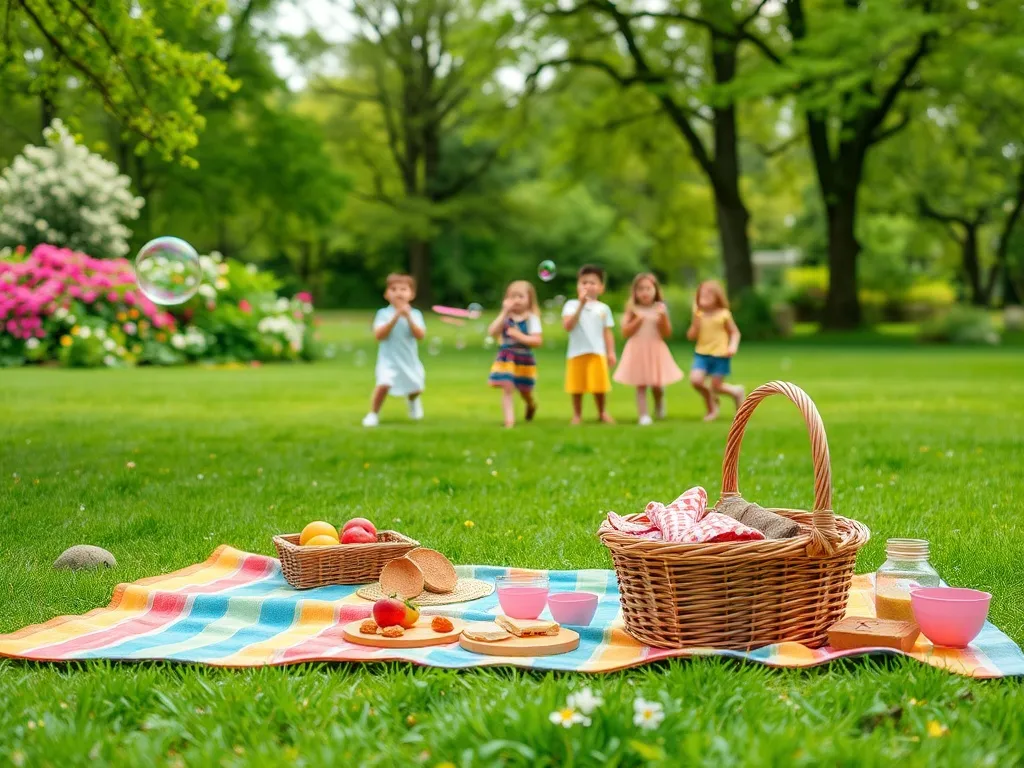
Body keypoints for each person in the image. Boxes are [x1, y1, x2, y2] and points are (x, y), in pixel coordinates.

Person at [614, 273, 683, 425]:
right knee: (641, 384)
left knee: (657, 384)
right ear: (635, 292)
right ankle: (643, 415)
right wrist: (637, 319)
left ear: (655, 290)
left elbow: (666, 333)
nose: (644, 292)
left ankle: (659, 405)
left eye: (648, 288)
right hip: (637, 350)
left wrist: (663, 316)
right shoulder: (632, 310)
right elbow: (625, 332)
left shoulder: (659, 309)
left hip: (655, 348)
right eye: (640, 289)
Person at [362, 273, 426, 427]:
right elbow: (379, 335)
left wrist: (408, 317)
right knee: (383, 384)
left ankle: (413, 402)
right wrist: (396, 316)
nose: (398, 292)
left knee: (416, 387)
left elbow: (420, 335)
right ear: (386, 294)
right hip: (388, 360)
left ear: (412, 295)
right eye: (394, 289)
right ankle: (373, 414)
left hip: (409, 359)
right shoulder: (383, 314)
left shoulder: (415, 314)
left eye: (403, 289)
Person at [562, 265, 617, 425]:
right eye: (583, 282)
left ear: (601, 287)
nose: (587, 286)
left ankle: (602, 412)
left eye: (592, 283)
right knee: (576, 386)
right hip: (576, 352)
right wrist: (580, 305)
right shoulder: (571, 305)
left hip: (597, 351)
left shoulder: (603, 308)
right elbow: (568, 325)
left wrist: (611, 352)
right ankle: (577, 415)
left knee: (599, 386)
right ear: (578, 286)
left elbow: (607, 332)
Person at [487, 280, 543, 428]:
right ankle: (509, 422)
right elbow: (492, 332)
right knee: (508, 386)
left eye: (520, 296)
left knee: (525, 391)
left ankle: (531, 404)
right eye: (513, 296)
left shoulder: (532, 318)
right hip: (507, 358)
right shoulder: (505, 317)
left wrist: (520, 336)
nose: (516, 300)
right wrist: (504, 312)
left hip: (524, 358)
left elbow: (537, 340)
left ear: (530, 299)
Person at [686, 279, 744, 422]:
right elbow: (691, 336)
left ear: (717, 297)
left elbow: (735, 333)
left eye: (708, 294)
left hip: (720, 354)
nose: (704, 297)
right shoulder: (699, 315)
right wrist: (695, 320)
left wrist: (733, 346)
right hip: (702, 354)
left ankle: (736, 392)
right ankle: (712, 408)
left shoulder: (723, 314)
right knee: (696, 381)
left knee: (716, 386)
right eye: (701, 295)